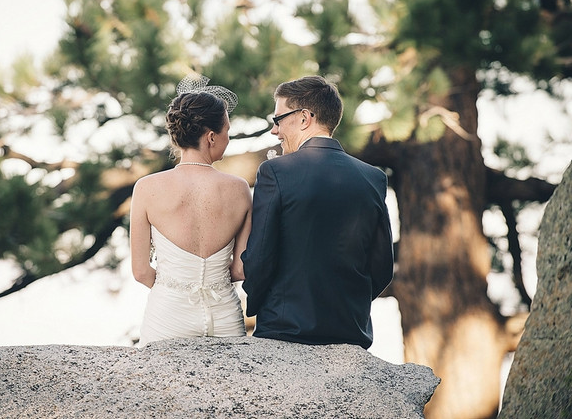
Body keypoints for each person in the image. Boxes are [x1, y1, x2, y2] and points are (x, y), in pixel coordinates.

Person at [241, 75, 394, 347]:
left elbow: (259, 257)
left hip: (285, 329)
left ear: (304, 118)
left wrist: (257, 302)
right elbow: (382, 266)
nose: (275, 131)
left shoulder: (275, 171)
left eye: (278, 120)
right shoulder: (373, 178)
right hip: (350, 332)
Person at [130, 75, 251, 347]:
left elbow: (140, 272)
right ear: (211, 137)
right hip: (225, 318)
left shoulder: (147, 188)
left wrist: (175, 289)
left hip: (167, 316)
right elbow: (241, 270)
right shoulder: (239, 189)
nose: (228, 138)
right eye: (227, 131)